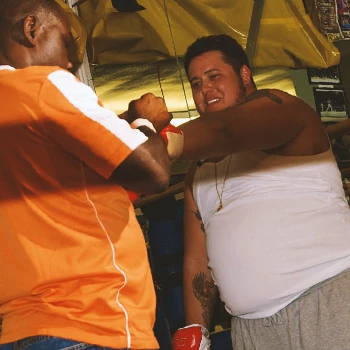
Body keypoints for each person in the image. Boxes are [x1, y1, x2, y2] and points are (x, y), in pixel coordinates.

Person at [0, 1, 174, 349]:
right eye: (65, 42)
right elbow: (152, 171)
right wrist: (145, 121)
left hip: (22, 329)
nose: (68, 63)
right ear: (31, 29)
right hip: (93, 321)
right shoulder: (43, 84)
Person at [169, 35, 350, 350]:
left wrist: (158, 141)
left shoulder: (283, 109)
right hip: (251, 330)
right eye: (196, 83)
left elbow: (226, 129)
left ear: (243, 75)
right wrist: (195, 330)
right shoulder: (197, 171)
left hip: (325, 300)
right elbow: (197, 259)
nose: (205, 90)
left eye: (214, 77)